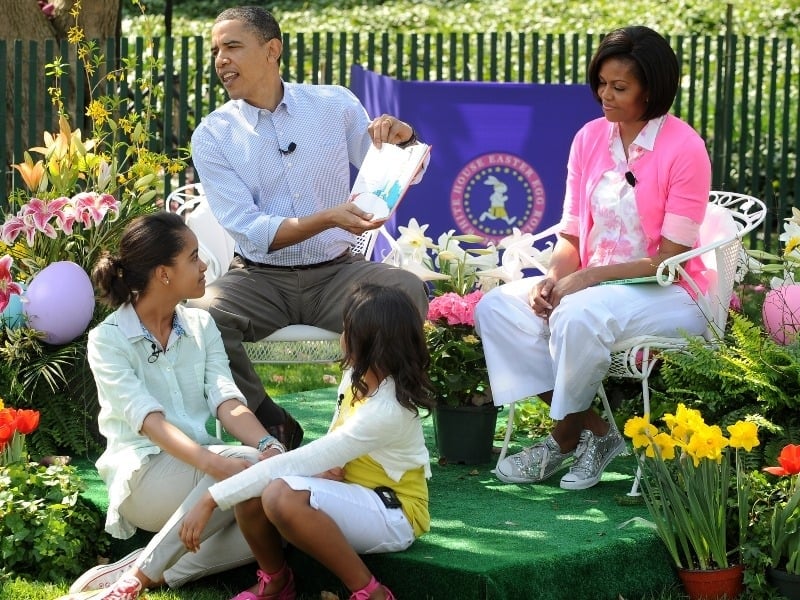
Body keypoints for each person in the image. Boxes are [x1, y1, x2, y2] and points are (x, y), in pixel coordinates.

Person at [474, 26, 712, 490]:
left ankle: (562, 438)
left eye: (619, 87)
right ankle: (598, 433)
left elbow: (671, 258)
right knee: (498, 306)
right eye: (601, 83)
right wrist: (553, 278)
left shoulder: (685, 148)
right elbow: (572, 234)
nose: (605, 95)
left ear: (652, 89)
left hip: (667, 290)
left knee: (577, 315)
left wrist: (585, 280)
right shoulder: (588, 139)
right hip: (592, 285)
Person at [188, 6, 430, 449]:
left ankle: (376, 418)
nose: (220, 59)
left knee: (405, 289)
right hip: (258, 277)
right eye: (215, 50)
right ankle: (270, 422)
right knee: (203, 316)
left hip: (339, 272)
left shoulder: (334, 105)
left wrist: (404, 140)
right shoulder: (213, 134)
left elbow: (394, 169)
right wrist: (328, 217)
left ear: (272, 50)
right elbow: (252, 229)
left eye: (232, 46)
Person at [60, 212, 284, 600]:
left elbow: (226, 399)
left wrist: (270, 447)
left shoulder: (201, 325)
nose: (205, 265)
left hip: (207, 468)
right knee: (246, 471)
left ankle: (145, 567)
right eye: (194, 257)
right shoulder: (107, 339)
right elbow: (149, 422)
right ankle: (140, 578)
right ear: (163, 274)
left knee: (276, 520)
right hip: (145, 476)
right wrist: (223, 464)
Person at [178, 283, 434, 600]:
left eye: (346, 329)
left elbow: (303, 460)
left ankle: (372, 593)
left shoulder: (388, 409)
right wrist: (326, 467)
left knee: (278, 494)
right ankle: (276, 582)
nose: (341, 336)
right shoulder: (357, 374)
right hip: (352, 494)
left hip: (394, 513)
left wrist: (211, 498)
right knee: (258, 484)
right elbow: (334, 442)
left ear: (364, 343)